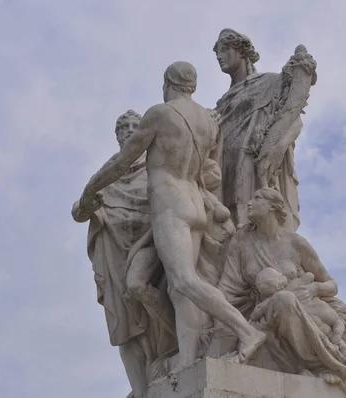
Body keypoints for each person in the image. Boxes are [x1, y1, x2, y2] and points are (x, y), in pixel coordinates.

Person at [76, 61, 265, 371]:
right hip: (196, 204)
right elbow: (210, 172)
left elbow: (123, 162)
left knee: (184, 280)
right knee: (178, 289)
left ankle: (247, 331)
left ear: (169, 83)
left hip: (170, 204)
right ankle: (185, 356)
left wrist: (89, 190)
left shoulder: (160, 114)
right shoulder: (208, 121)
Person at [218, 187, 346, 398]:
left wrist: (314, 288)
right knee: (285, 300)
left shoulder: (296, 243)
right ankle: (321, 364)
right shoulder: (242, 242)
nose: (250, 203)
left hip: (318, 308)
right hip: (276, 313)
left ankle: (334, 359)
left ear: (273, 206)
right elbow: (227, 289)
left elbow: (331, 284)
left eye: (257, 198)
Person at [72, 110, 176, 396]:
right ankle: (141, 388)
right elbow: (78, 210)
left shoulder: (157, 167)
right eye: (124, 127)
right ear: (118, 136)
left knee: (154, 299)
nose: (129, 130)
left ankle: (170, 360)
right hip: (114, 251)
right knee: (125, 324)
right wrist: (88, 204)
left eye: (135, 126)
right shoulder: (108, 174)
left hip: (151, 246)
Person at [212, 28, 317, 231]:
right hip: (225, 163)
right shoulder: (223, 102)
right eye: (217, 51)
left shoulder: (270, 82)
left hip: (252, 160)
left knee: (251, 214)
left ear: (241, 51)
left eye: (225, 49)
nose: (219, 56)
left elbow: (292, 116)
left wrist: (275, 149)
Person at [251, 267, 346, 360]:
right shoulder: (293, 285)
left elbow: (255, 313)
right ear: (277, 283)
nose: (282, 274)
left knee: (329, 327)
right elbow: (310, 276)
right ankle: (338, 340)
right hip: (319, 314)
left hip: (317, 314)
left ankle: (337, 340)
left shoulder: (271, 300)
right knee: (333, 326)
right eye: (279, 274)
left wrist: (315, 287)